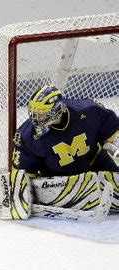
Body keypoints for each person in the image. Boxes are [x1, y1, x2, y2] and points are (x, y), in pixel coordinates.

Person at [7, 84, 119, 218]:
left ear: (58, 109)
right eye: (34, 113)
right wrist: (22, 194)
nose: (36, 119)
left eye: (42, 114)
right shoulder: (27, 135)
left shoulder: (89, 110)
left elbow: (112, 131)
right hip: (59, 179)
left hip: (95, 162)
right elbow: (23, 172)